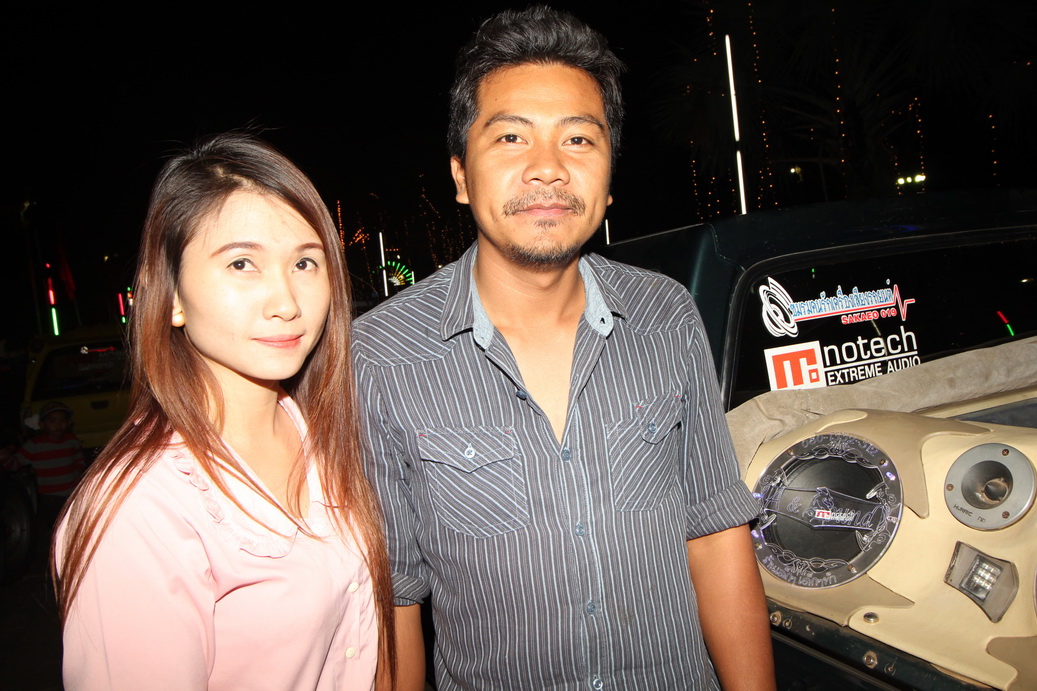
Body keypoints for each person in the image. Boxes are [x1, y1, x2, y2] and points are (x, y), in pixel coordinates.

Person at [353, 7, 775, 690]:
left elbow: (715, 530)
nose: (547, 168)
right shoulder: (379, 356)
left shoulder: (665, 315)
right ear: (460, 175)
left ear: (608, 179)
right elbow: (393, 594)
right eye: (511, 137)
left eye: (578, 139)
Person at [54, 134, 395, 690]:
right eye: (242, 263)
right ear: (172, 297)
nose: (286, 302)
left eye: (304, 262)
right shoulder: (143, 510)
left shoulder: (317, 431)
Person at [15, 401, 86, 524]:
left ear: (69, 423)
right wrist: (4, 457)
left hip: (71, 493)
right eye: (52, 421)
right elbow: (15, 463)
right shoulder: (34, 445)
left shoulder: (71, 440)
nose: (58, 425)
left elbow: (79, 458)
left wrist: (79, 472)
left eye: (62, 420)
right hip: (50, 496)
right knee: (55, 524)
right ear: (42, 424)